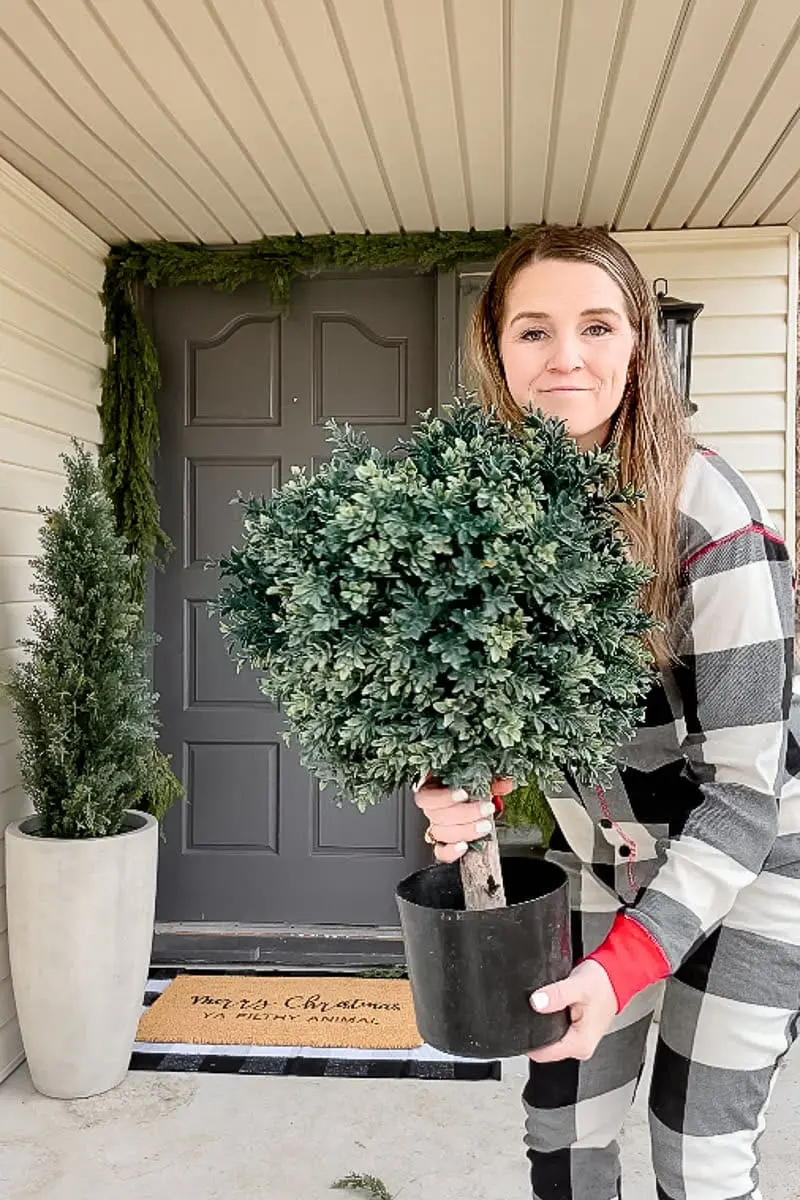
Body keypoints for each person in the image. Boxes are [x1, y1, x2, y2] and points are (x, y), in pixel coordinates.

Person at [413, 224, 799, 1200]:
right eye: (532, 332)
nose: (566, 358)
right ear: (495, 351)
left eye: (596, 326)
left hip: (751, 874)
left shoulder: (707, 517)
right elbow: (507, 711)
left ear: (638, 345)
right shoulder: (492, 516)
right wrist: (465, 780)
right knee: (564, 1130)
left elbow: (746, 794)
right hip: (606, 857)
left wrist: (626, 962)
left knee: (693, 1151)